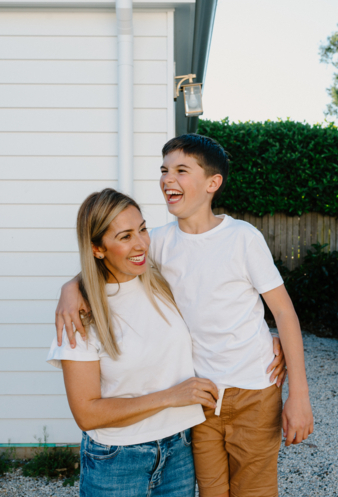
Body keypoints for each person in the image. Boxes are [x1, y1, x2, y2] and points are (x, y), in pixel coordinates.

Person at [55, 134, 306, 497]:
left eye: (181, 170)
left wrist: (298, 394)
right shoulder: (158, 241)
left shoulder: (242, 238)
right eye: (164, 170)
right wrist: (71, 288)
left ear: (212, 183)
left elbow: (284, 311)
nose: (167, 179)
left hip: (256, 388)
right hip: (200, 398)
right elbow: (110, 259)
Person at [47, 189, 221, 497]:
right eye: (125, 236)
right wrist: (170, 396)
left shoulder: (162, 277)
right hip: (117, 460)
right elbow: (87, 414)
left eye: (142, 229)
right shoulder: (82, 315)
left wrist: (267, 339)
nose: (141, 243)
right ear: (98, 249)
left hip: (179, 449)